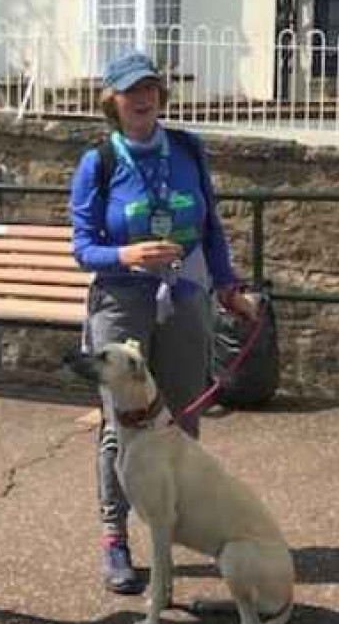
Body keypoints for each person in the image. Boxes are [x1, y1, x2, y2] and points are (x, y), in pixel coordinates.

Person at [69, 50, 255, 594]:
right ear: (113, 100)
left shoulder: (189, 149)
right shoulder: (98, 162)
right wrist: (124, 257)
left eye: (150, 87)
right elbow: (82, 248)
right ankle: (115, 538)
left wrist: (228, 286)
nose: (142, 97)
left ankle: (172, 530)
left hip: (187, 294)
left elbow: (213, 227)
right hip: (121, 302)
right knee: (120, 427)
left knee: (183, 420)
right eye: (130, 90)